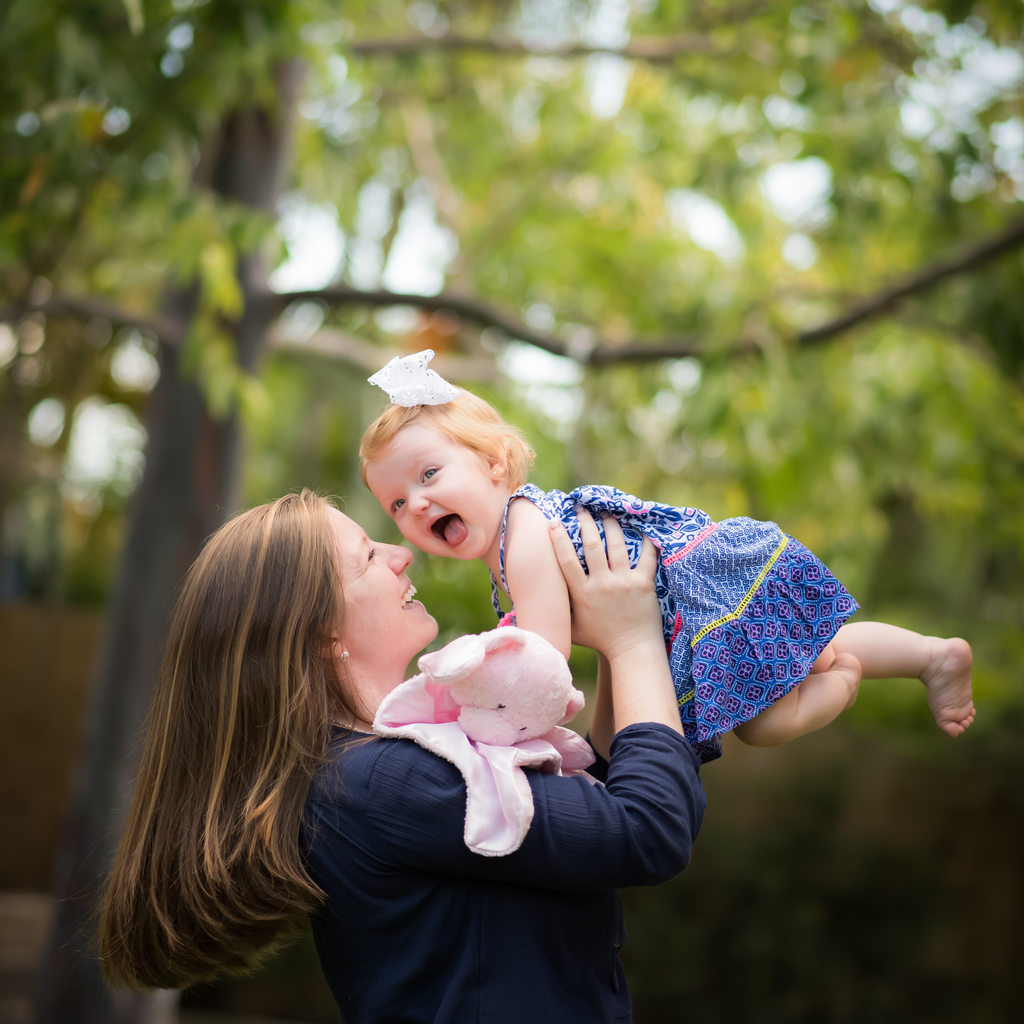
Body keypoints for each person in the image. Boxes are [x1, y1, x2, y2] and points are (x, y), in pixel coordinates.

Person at [97, 489, 705, 1023]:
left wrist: (604, 640)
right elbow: (646, 828)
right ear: (321, 634)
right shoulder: (378, 780)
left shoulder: (381, 759)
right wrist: (632, 640)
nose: (402, 554)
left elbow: (588, 798)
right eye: (367, 557)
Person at [360, 349, 975, 764]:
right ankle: (925, 654)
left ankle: (851, 676)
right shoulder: (507, 544)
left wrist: (485, 709)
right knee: (783, 688)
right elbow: (586, 654)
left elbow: (542, 659)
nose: (415, 504)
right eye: (395, 503)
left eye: (429, 474)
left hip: (700, 594)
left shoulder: (521, 531)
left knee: (765, 722)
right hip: (679, 611)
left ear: (494, 464)